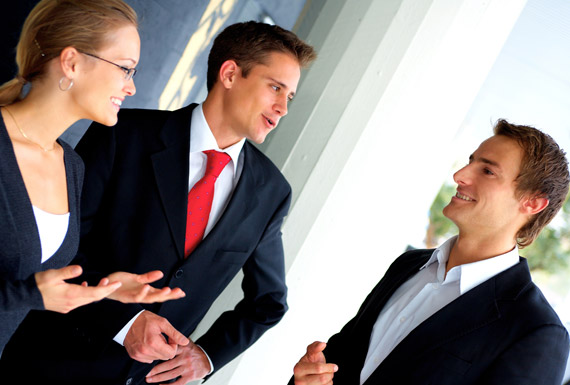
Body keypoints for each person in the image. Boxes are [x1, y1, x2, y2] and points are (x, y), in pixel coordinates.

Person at [1, 21, 317, 384]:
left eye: (289, 96)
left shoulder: (272, 192)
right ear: (230, 74)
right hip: (47, 363)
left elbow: (268, 303)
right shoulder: (123, 133)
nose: (283, 108)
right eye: (275, 87)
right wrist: (123, 322)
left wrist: (207, 356)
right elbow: (61, 250)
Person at [291, 120, 570, 385]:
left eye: (487, 171)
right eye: (471, 161)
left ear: (532, 203)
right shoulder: (408, 265)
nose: (460, 175)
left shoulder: (537, 331)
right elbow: (340, 359)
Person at [0, 0, 185, 354]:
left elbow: (32, 274)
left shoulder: (71, 166)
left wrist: (106, 287)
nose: (131, 88)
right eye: (125, 69)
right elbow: (29, 289)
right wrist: (32, 295)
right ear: (71, 62)